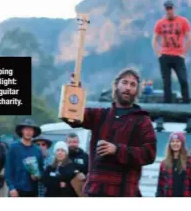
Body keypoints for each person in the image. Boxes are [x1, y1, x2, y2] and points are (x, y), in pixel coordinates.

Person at [64, 68, 157, 197]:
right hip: (96, 191)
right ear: (115, 86)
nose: (128, 87)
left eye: (133, 84)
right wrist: (75, 93)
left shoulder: (142, 121)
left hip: (124, 193)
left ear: (137, 91)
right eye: (124, 82)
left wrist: (117, 150)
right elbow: (72, 117)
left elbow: (149, 154)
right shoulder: (100, 115)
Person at [152, 0, 191, 104]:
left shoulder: (183, 21)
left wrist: (184, 54)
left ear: (174, 9)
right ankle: (168, 107)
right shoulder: (160, 23)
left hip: (178, 56)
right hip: (165, 56)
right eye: (167, 8)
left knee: (183, 80)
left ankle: (187, 105)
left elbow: (189, 38)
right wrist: (158, 54)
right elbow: (154, 39)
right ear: (165, 10)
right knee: (166, 83)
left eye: (171, 8)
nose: (169, 10)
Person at [5, 119, 43, 197]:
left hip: (32, 190)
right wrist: (11, 188)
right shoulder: (13, 147)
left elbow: (41, 170)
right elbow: (8, 170)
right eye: (26, 129)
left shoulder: (37, 150)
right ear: (22, 131)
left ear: (34, 132)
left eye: (31, 130)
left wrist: (37, 176)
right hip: (16, 190)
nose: (28, 132)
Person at [156, 132, 191, 197]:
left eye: (178, 141)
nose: (175, 143)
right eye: (173, 141)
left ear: (182, 144)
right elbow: (160, 186)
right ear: (170, 144)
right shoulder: (164, 163)